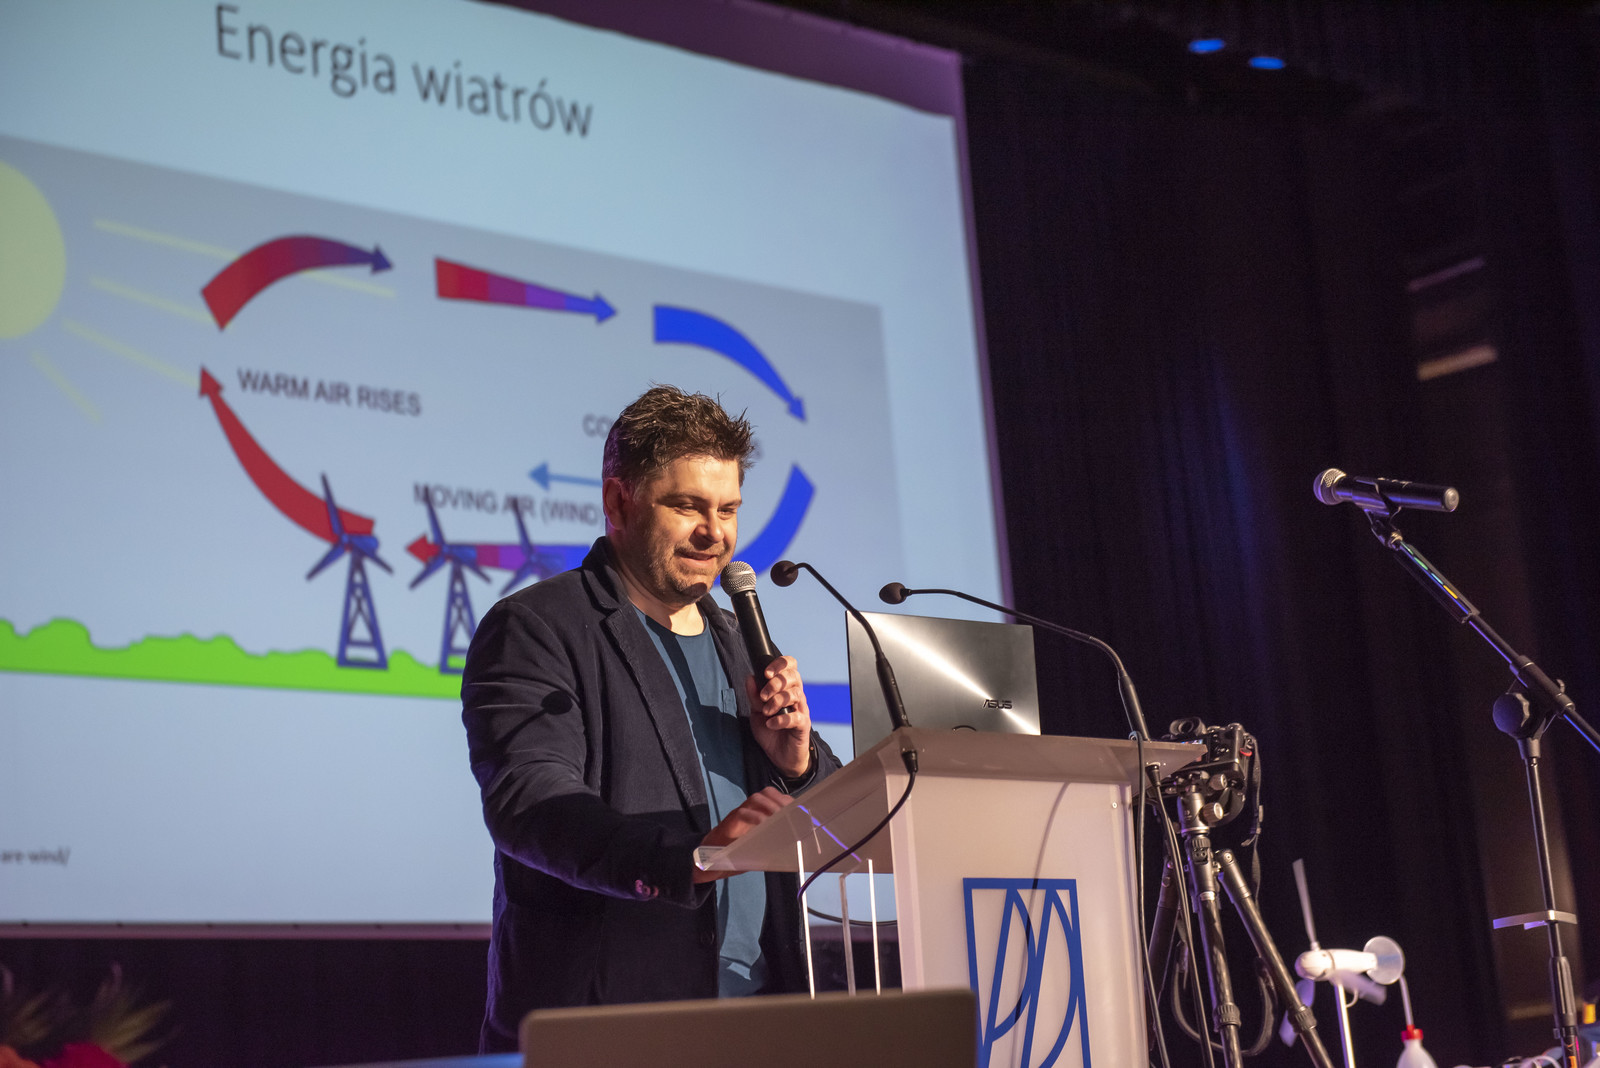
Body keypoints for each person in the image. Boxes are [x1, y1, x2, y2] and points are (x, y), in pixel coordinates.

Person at [462, 385, 841, 1052]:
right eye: (688, 506)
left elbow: (832, 810)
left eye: (728, 509)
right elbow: (529, 801)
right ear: (618, 502)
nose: (715, 533)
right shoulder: (537, 626)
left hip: (762, 1020)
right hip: (613, 1028)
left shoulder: (738, 639)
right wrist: (687, 858)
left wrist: (796, 763)